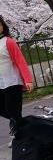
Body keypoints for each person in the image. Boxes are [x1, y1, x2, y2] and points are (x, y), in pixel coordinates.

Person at [0, 15, 34, 147]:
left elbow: (20, 61)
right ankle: (26, 126)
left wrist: (28, 80)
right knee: (11, 113)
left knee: (13, 110)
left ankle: (18, 134)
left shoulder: (8, 42)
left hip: (11, 82)